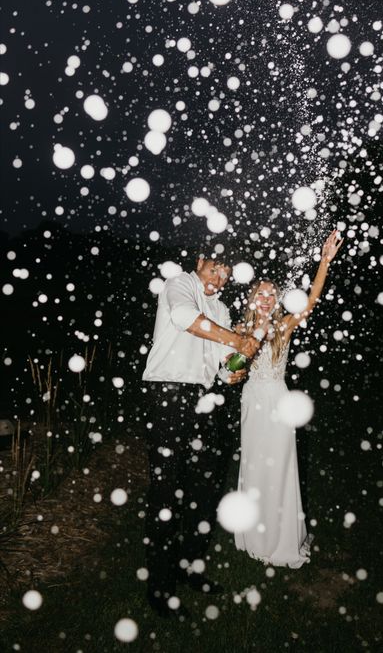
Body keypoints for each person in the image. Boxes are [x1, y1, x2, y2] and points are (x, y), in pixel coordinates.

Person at [141, 253, 260, 617]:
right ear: (200, 261)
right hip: (168, 395)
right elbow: (184, 319)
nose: (219, 278)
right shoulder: (180, 284)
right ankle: (160, 587)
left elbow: (223, 362)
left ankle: (190, 568)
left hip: (206, 400)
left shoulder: (221, 309)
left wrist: (233, 371)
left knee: (204, 490)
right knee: (166, 493)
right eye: (215, 269)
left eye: (225, 274)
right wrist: (237, 341)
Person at [235, 230, 344, 567]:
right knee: (253, 465)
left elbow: (311, 299)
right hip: (252, 400)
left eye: (271, 294)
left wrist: (324, 261)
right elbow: (231, 369)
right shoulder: (238, 330)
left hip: (277, 399)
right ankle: (253, 533)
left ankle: (280, 537)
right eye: (261, 293)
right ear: (252, 298)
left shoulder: (283, 326)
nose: (266, 299)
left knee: (280, 466)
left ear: (277, 300)